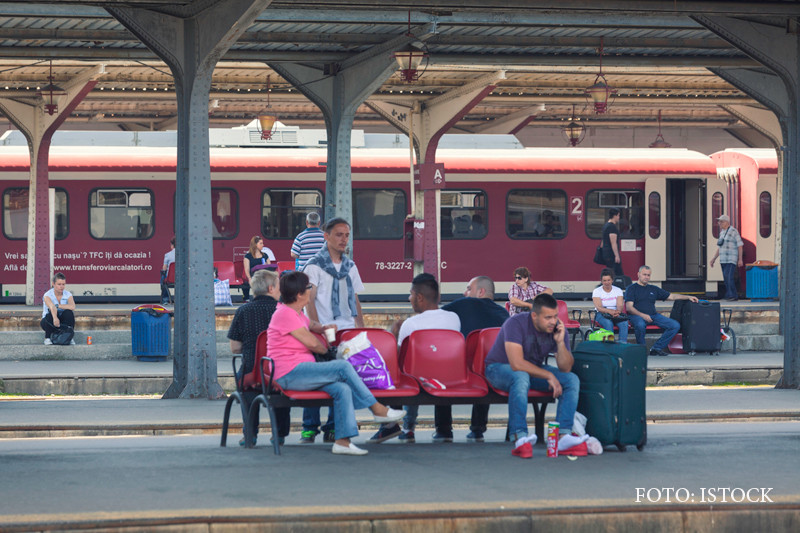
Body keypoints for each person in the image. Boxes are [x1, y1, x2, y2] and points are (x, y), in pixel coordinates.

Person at [267, 270, 404, 456]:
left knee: (342, 389)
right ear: (299, 294)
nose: (311, 291)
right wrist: (329, 353)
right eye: (308, 287)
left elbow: (311, 325)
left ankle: (343, 442)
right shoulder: (285, 314)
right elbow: (313, 344)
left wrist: (323, 328)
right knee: (342, 366)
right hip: (290, 373)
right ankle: (377, 409)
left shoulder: (296, 313)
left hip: (303, 372)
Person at [484, 293, 585, 458]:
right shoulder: (515, 323)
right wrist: (548, 375)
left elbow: (566, 368)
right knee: (521, 376)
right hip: (498, 368)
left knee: (571, 380)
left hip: (532, 370)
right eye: (547, 317)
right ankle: (520, 437)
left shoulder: (557, 329)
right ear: (534, 316)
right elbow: (516, 363)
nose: (553, 321)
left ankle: (563, 436)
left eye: (555, 316)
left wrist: (560, 343)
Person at [369, 273, 461, 444]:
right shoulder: (454, 318)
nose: (409, 298)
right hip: (449, 378)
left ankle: (401, 428)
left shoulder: (411, 325)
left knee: (399, 372)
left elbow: (395, 359)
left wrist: (393, 333)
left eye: (411, 294)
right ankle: (444, 430)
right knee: (437, 368)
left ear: (419, 297)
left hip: (418, 380)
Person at [301, 218, 366, 443]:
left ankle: (332, 426)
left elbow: (355, 299)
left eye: (346, 235)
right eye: (338, 235)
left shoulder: (350, 266)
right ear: (326, 236)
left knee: (341, 382)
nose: (343, 240)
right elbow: (309, 300)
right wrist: (318, 329)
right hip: (324, 330)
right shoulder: (314, 265)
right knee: (317, 379)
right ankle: (309, 426)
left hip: (347, 331)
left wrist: (361, 327)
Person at [436, 276, 509, 442]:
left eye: (468, 288)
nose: (464, 292)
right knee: (485, 362)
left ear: (480, 292)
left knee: (442, 367)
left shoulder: (463, 304)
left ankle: (444, 429)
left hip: (458, 370)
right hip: (491, 373)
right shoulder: (504, 314)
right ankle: (477, 429)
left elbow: (436, 315)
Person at [227, 269, 288, 446]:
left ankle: (250, 434)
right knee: (281, 386)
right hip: (277, 374)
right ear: (271, 289)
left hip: (251, 374)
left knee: (246, 387)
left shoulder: (243, 311)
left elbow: (235, 348)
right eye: (278, 287)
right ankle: (280, 433)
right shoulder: (283, 311)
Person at [625, 265, 699, 356]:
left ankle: (656, 348)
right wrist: (643, 315)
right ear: (638, 274)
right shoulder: (631, 288)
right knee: (640, 325)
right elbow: (629, 307)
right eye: (644, 274)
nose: (646, 277)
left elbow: (671, 296)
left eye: (648, 275)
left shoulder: (653, 289)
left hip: (653, 315)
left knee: (674, 325)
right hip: (636, 316)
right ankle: (641, 349)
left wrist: (688, 297)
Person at [709, 214, 744, 301]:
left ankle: (732, 295)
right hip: (723, 259)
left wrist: (740, 259)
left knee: (729, 276)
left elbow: (740, 245)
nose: (719, 223)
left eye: (721, 221)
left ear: (727, 222)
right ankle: (731, 294)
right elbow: (720, 247)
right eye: (718, 221)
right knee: (725, 277)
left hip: (731, 258)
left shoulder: (733, 231)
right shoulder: (722, 233)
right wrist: (714, 258)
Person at [592, 268, 629, 343]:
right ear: (601, 281)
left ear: (612, 280)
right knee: (608, 323)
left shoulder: (618, 290)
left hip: (615, 313)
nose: (607, 282)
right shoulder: (597, 291)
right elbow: (599, 307)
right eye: (604, 280)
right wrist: (610, 312)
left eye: (608, 280)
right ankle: (610, 346)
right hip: (601, 313)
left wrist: (617, 312)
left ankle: (622, 346)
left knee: (624, 323)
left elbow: (619, 305)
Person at [41, 272, 77, 345]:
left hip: (61, 322)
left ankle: (70, 337)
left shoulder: (68, 294)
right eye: (59, 284)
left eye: (63, 284)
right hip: (49, 322)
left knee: (69, 313)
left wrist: (58, 306)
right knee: (51, 313)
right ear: (53, 284)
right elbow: (52, 307)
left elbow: (72, 306)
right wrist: (55, 318)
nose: (61, 287)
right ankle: (47, 338)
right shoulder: (47, 295)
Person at [242, 235, 276, 302]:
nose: (263, 245)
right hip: (253, 275)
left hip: (264, 275)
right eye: (260, 243)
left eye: (262, 243)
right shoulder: (248, 256)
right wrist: (249, 278)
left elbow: (269, 266)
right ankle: (248, 298)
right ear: (255, 245)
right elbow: (247, 269)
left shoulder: (265, 255)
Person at [601, 208, 624, 276]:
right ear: (614, 216)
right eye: (618, 215)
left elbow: (603, 242)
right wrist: (617, 256)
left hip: (606, 253)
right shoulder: (612, 227)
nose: (619, 218)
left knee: (611, 272)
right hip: (611, 254)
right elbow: (613, 243)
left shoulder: (605, 226)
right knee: (617, 273)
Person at [160, 237, 175, 305]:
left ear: (172, 245)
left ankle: (165, 300)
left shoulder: (168, 255)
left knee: (163, 280)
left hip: (171, 279)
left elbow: (164, 269)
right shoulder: (185, 254)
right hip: (182, 278)